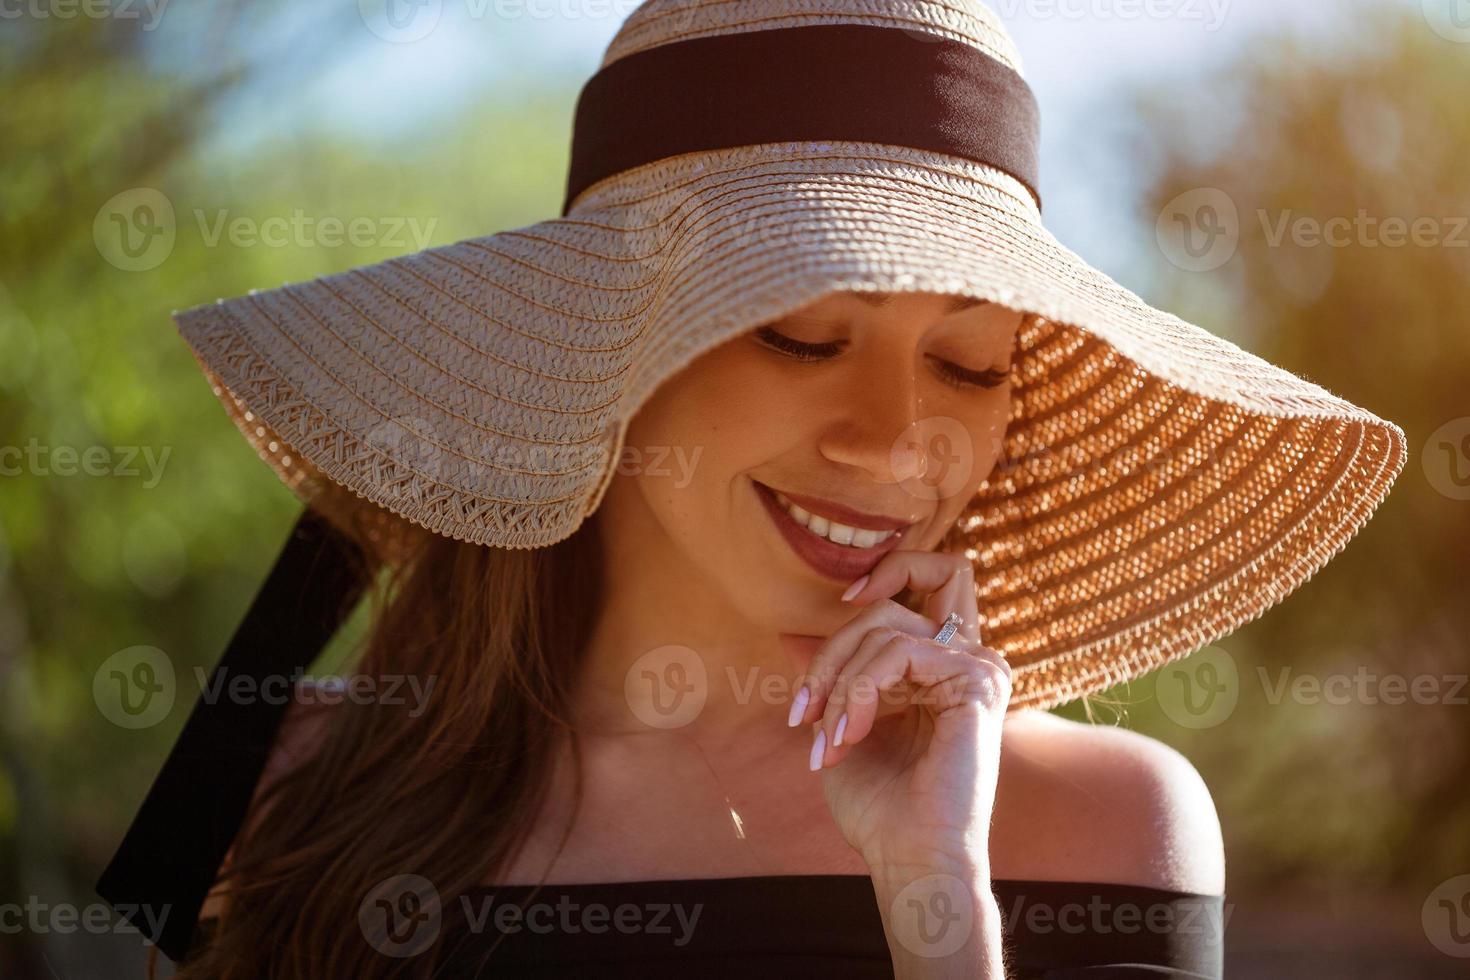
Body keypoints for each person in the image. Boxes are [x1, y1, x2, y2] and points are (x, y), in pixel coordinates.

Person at [97, 1, 1405, 977]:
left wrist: (935, 894)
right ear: (604, 347)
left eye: (964, 363)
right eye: (801, 335)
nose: (897, 443)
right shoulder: (293, 778)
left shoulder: (1095, 825)